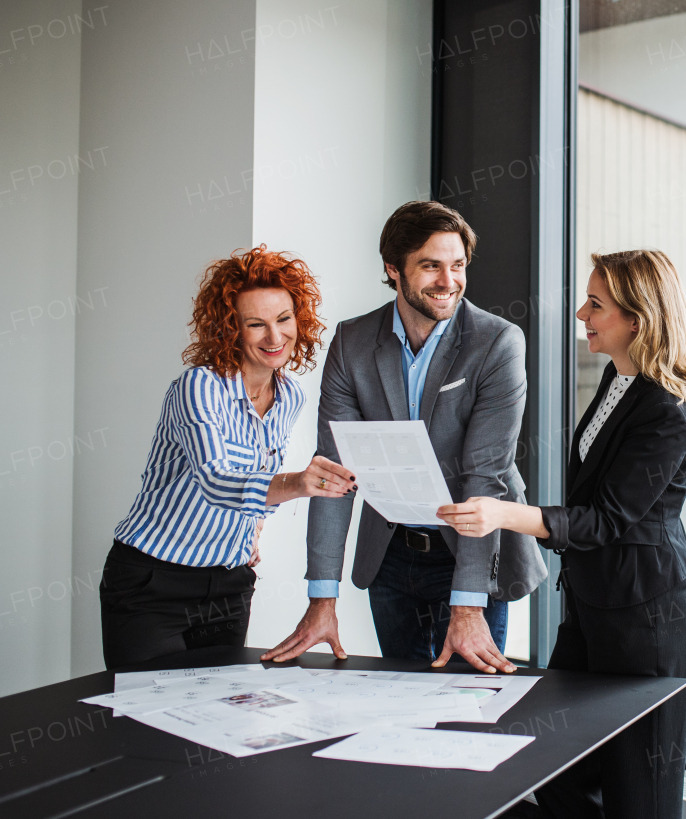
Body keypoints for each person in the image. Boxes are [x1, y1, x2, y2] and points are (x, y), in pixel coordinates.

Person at [437, 249, 686, 819]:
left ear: (638, 317)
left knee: (641, 796)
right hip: (591, 609)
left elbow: (607, 519)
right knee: (557, 767)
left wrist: (506, 514)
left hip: (647, 619)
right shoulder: (618, 381)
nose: (582, 313)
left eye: (597, 303)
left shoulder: (668, 410)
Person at [262, 200, 547, 673]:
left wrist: (468, 606)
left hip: (470, 550)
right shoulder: (352, 342)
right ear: (393, 269)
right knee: (400, 711)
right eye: (431, 266)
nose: (448, 281)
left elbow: (485, 475)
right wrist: (322, 598)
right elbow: (335, 472)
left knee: (468, 715)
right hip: (392, 557)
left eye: (457, 265)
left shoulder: (497, 342)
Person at [101, 246, 357, 669]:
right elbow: (216, 480)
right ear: (230, 329)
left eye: (284, 319)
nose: (275, 338)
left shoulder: (289, 395)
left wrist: (254, 525)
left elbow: (259, 474)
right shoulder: (199, 388)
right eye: (256, 324)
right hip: (152, 583)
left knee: (215, 719)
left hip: (229, 586)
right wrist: (298, 483)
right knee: (145, 723)